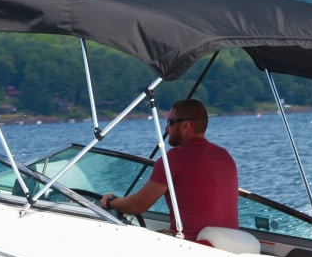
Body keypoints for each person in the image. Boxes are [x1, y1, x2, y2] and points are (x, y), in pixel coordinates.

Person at [100, 99, 238, 241]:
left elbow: (137, 206)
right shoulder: (225, 156)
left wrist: (111, 201)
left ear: (185, 125)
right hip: (229, 245)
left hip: (195, 247)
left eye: (171, 122)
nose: (167, 129)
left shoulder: (173, 159)